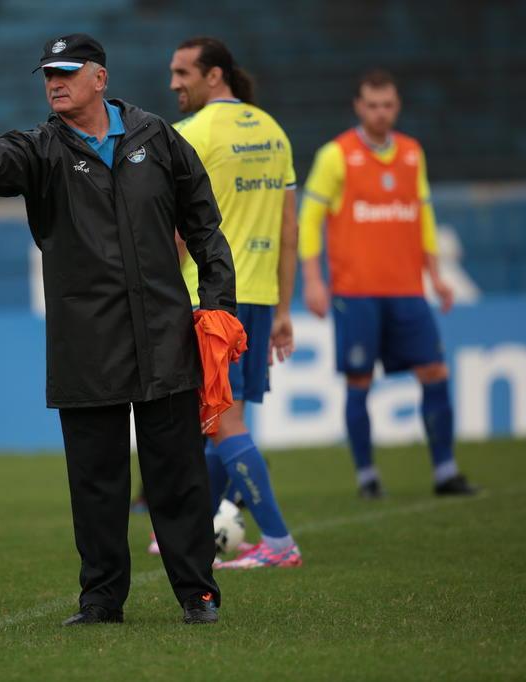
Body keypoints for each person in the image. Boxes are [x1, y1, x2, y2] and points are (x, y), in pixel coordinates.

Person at [0, 33, 236, 625]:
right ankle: (102, 600)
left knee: (177, 476)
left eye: (66, 72)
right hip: (88, 344)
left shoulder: (155, 137)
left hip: (164, 336)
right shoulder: (42, 149)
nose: (54, 82)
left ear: (99, 78)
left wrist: (219, 303)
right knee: (97, 484)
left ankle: (197, 593)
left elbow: (204, 222)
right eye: (47, 74)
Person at [298, 69, 477, 498]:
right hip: (356, 292)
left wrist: (435, 273)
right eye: (373, 105)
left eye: (388, 105)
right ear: (359, 107)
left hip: (408, 289)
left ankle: (445, 471)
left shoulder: (413, 153)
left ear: (397, 107)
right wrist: (313, 281)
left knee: (434, 370)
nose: (381, 113)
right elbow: (310, 220)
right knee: (359, 380)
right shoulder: (335, 156)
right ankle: (366, 477)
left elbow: (424, 215)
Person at [167, 37, 301, 568]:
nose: (174, 83)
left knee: (221, 422)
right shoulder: (273, 130)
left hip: (210, 296)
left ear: (214, 76)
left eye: (182, 72)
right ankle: (201, 529)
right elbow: (290, 229)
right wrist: (285, 308)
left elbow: (175, 230)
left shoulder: (190, 135)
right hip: (260, 296)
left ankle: (278, 541)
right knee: (225, 415)